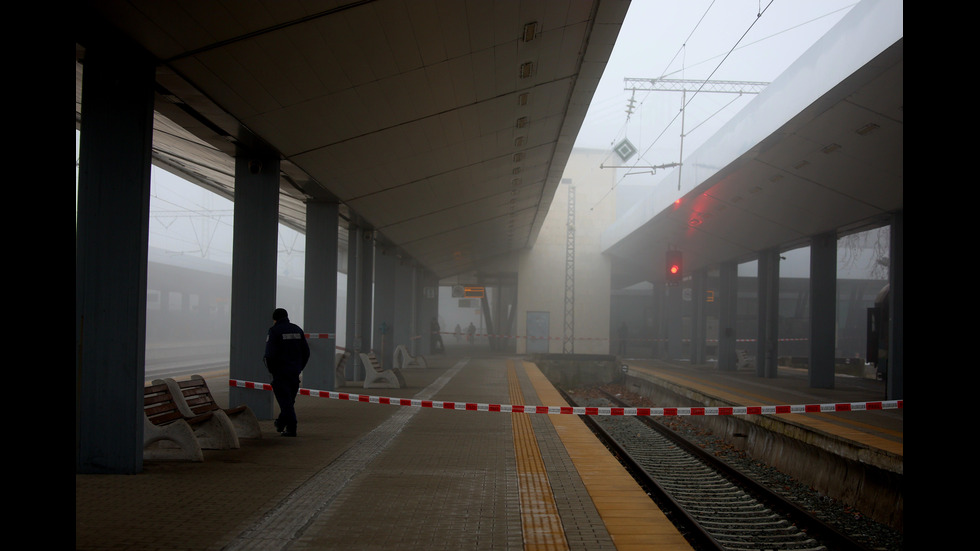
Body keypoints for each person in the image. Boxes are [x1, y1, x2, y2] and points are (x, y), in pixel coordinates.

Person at [264, 308, 310, 437]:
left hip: (280, 373)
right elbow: (306, 352)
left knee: (285, 402)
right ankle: (280, 422)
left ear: (275, 319)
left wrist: (273, 371)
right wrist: (299, 367)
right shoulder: (297, 329)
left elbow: (269, 355)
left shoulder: (274, 331)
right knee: (289, 401)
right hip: (294, 373)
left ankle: (292, 427)